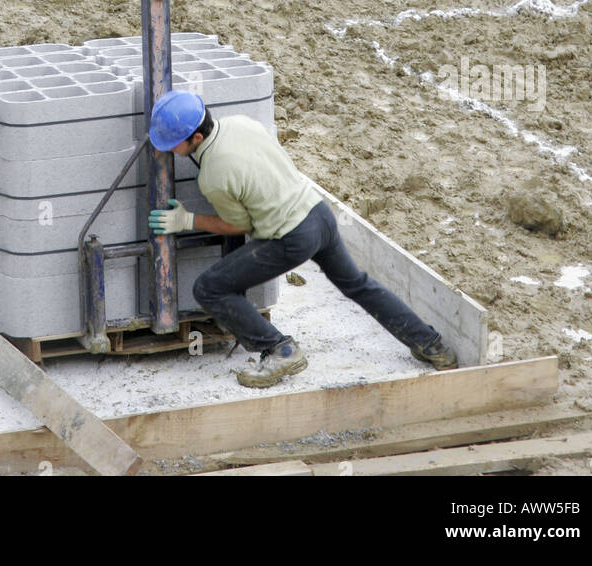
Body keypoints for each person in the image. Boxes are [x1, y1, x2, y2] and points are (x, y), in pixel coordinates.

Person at [148, 90, 458, 388]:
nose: (169, 151)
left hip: (290, 238)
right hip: (318, 214)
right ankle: (431, 344)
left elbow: (238, 224)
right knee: (358, 284)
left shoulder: (213, 175)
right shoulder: (241, 123)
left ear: (197, 138)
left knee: (209, 287)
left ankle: (279, 350)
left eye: (174, 144)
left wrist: (188, 220)